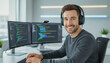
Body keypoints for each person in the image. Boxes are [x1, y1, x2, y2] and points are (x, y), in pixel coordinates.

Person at [26, 4, 98, 63]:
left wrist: (41, 62)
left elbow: (73, 62)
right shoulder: (69, 37)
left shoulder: (87, 39)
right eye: (66, 19)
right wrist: (41, 56)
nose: (69, 23)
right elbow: (60, 52)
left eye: (73, 18)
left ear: (80, 20)